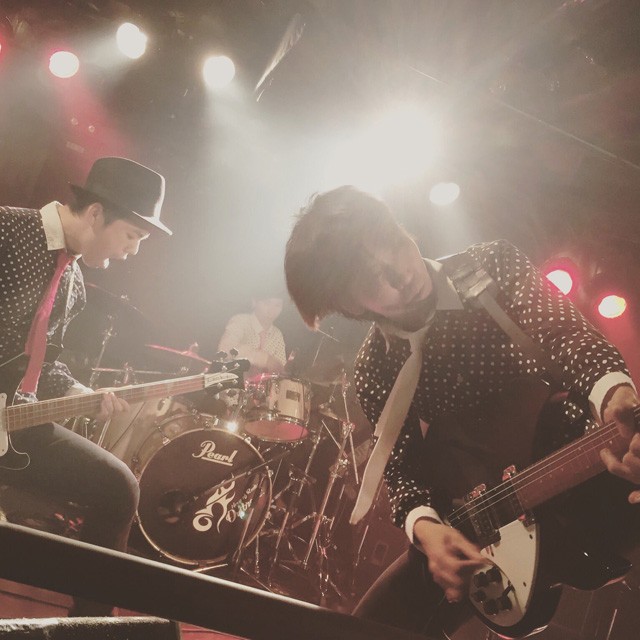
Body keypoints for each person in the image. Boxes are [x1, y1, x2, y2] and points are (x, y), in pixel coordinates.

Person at [284, 185, 640, 637]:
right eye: (371, 278)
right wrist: (427, 529)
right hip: (474, 515)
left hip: (580, 467)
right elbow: (401, 468)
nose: (399, 272)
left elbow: (566, 337)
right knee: (369, 628)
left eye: (393, 241)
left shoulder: (491, 264)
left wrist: (615, 396)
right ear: (350, 305)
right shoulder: (374, 366)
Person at [0, 156, 172, 616]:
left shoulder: (74, 281)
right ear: (96, 213)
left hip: (12, 426)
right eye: (132, 236)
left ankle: (91, 626)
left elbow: (38, 364)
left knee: (119, 488)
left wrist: (79, 394)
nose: (133, 251)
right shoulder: (7, 229)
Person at [217, 292, 287, 380]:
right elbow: (225, 348)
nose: (272, 311)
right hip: (231, 385)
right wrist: (265, 359)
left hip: (260, 388)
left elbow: (280, 369)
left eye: (277, 305)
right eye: (267, 303)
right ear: (254, 302)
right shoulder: (241, 321)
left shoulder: (277, 335)